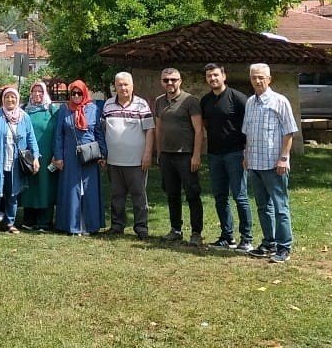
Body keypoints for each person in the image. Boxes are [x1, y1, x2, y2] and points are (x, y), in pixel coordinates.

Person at [242, 63, 299, 263]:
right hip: (255, 162)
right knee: (262, 206)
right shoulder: (250, 102)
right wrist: (246, 156)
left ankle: (284, 247)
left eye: (261, 78)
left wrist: (284, 158)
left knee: (280, 207)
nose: (257, 81)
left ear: (269, 79)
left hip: (274, 164)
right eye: (254, 77)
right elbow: (248, 132)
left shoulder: (279, 101)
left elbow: (289, 131)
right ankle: (269, 243)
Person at [201, 63, 254, 251]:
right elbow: (206, 124)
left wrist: (247, 152)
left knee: (240, 197)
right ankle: (227, 237)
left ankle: (246, 238)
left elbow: (249, 126)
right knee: (220, 197)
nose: (212, 79)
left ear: (224, 76)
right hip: (215, 155)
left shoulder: (238, 98)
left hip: (235, 153)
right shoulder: (205, 101)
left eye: (215, 75)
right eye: (209, 76)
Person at [153, 67, 205, 246]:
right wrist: (159, 153)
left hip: (185, 155)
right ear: (162, 82)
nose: (170, 83)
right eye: (166, 80)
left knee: (192, 194)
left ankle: (196, 232)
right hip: (167, 156)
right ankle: (176, 229)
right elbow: (158, 129)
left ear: (180, 81)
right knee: (172, 194)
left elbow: (199, 130)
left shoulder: (190, 101)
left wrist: (196, 155)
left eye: (173, 79)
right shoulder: (159, 101)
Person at [101, 71, 154, 238]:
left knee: (139, 196)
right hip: (114, 161)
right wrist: (103, 155)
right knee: (116, 196)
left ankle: (141, 228)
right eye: (120, 85)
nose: (123, 88)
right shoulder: (108, 105)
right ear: (115, 86)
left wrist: (147, 154)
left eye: (126, 84)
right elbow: (102, 131)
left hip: (136, 161)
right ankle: (117, 225)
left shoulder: (141, 105)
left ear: (132, 86)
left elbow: (150, 130)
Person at [0, 86, 40, 236]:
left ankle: (10, 222)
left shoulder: (24, 117)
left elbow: (31, 139)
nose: (10, 100)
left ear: (17, 99)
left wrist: (36, 157)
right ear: (3, 99)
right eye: (7, 97)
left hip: (15, 163)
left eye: (13, 97)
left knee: (13, 194)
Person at [53, 80, 107, 235]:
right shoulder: (64, 110)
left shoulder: (93, 109)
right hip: (69, 155)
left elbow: (98, 132)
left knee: (89, 190)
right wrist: (58, 156)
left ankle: (90, 225)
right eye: (73, 93)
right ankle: (72, 226)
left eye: (79, 93)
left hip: (90, 154)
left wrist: (103, 153)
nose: (76, 96)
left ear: (84, 93)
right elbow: (58, 135)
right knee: (72, 190)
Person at [18, 81, 58, 232]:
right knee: (29, 187)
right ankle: (29, 219)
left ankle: (45, 221)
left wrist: (56, 153)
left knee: (45, 187)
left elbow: (58, 133)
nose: (37, 94)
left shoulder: (52, 110)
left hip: (47, 155)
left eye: (40, 91)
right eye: (34, 91)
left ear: (45, 93)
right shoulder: (23, 110)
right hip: (27, 156)